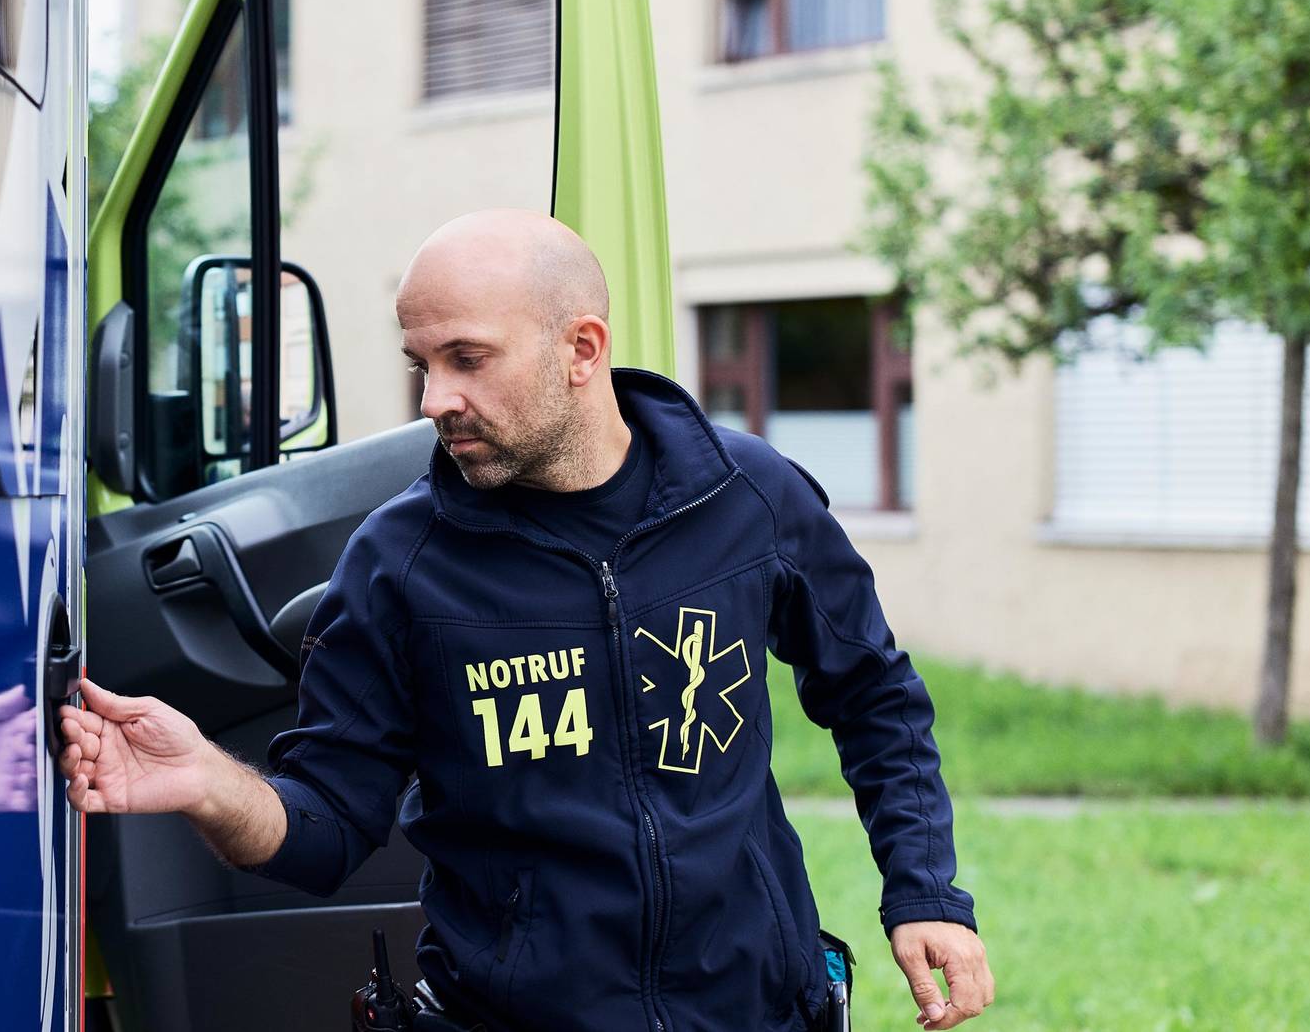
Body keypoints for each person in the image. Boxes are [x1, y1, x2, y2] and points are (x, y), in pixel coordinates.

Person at [59, 210, 994, 1031]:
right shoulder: (398, 566)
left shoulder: (747, 495)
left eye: (467, 358)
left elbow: (875, 694)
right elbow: (326, 827)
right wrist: (208, 783)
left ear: (582, 350)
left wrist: (924, 889)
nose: (434, 401)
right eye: (421, 365)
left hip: (757, 1006)